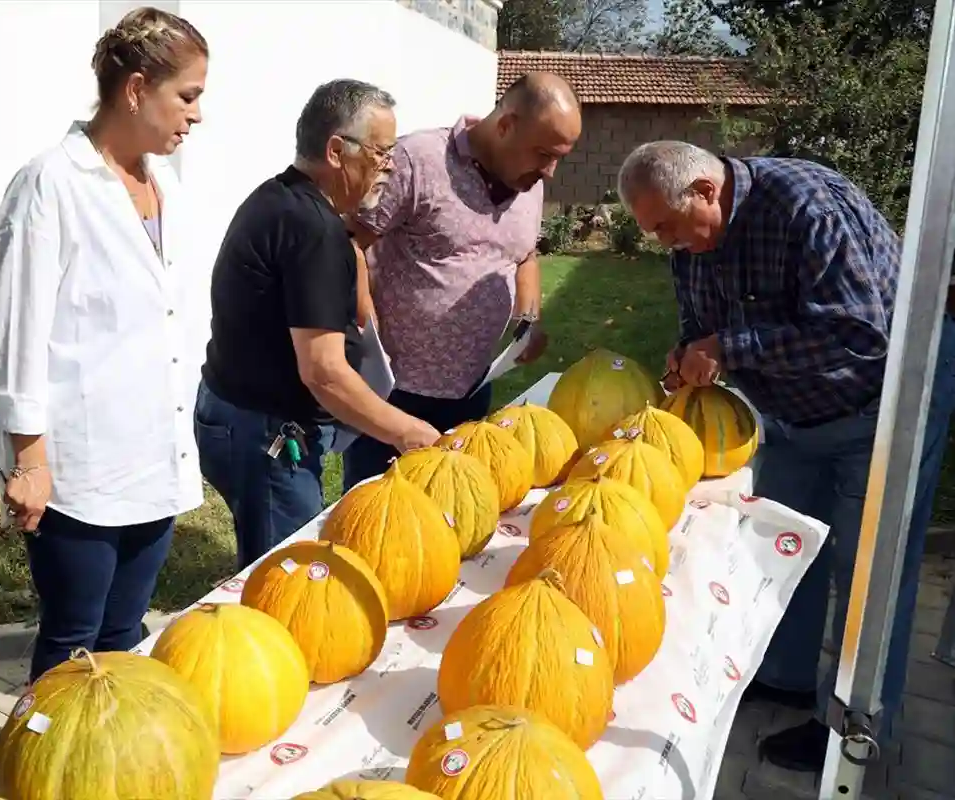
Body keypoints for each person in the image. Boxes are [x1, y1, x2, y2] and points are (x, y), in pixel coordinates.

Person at [616, 139, 955, 772]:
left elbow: (859, 334)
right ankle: (786, 676)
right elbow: (700, 322)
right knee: (787, 547)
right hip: (794, 414)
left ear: (706, 192)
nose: (664, 242)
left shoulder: (807, 208)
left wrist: (732, 347)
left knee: (867, 578)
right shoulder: (691, 242)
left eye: (666, 225)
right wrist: (689, 350)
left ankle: (851, 728)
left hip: (882, 406)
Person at [0, 8, 210, 683]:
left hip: (151, 460)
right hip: (78, 470)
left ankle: (109, 768)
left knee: (124, 635)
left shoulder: (164, 184)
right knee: (75, 639)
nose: (197, 115)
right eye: (186, 96)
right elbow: (14, 327)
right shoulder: (52, 183)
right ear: (137, 90)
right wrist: (30, 462)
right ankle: (41, 776)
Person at [196, 79, 441, 570]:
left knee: (268, 565)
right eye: (381, 153)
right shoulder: (313, 229)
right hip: (266, 435)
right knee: (288, 579)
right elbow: (323, 372)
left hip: (231, 413)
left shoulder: (278, 199)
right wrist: (408, 431)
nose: (387, 169)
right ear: (336, 150)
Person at [341, 71, 583, 490]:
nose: (551, 171)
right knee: (378, 518)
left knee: (458, 513)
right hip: (394, 393)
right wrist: (366, 322)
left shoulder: (529, 182)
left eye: (560, 156)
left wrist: (528, 319)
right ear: (506, 125)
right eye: (544, 154)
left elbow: (524, 253)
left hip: (474, 389)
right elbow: (349, 243)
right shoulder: (417, 161)